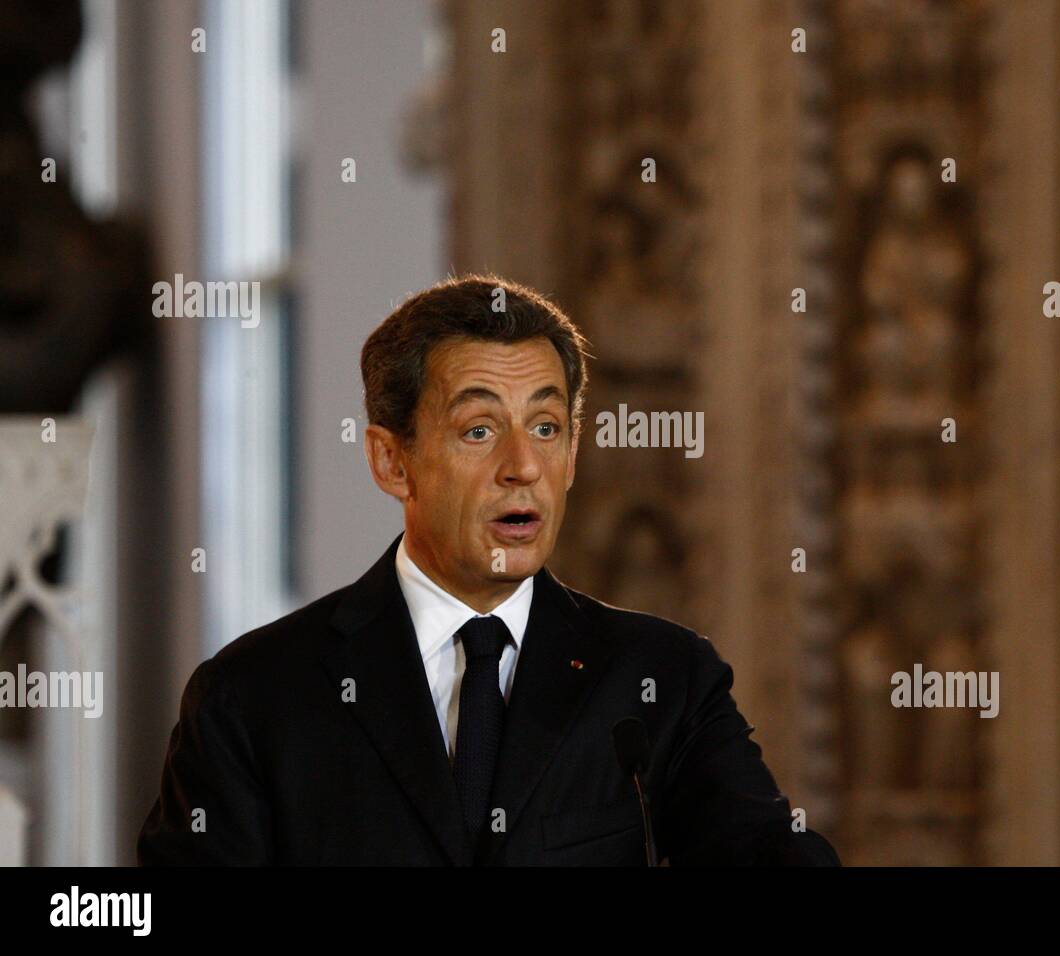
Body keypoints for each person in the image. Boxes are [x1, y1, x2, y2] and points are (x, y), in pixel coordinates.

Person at [137, 273, 840, 866]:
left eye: (546, 428)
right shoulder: (253, 698)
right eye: (479, 431)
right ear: (392, 460)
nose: (523, 467)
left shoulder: (664, 681)